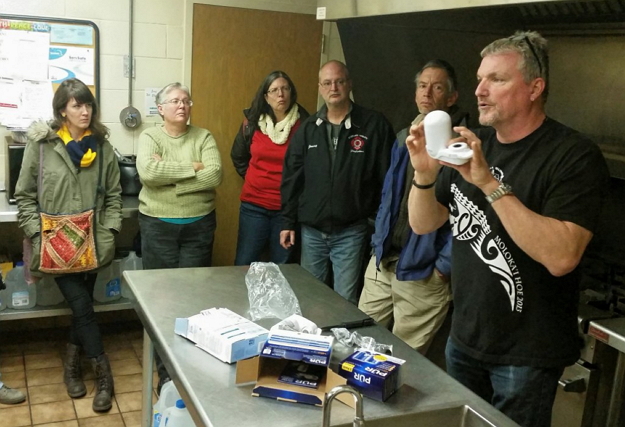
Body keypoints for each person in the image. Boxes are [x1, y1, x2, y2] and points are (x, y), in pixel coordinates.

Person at [406, 31, 609, 427]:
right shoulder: (474, 143)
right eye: (480, 79)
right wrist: (424, 176)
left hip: (526, 354)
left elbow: (562, 257)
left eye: (496, 79)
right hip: (464, 338)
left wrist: (488, 184)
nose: (480, 90)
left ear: (535, 87)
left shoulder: (573, 156)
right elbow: (424, 222)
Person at [15, 78, 121, 412]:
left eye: (88, 104)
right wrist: (38, 234)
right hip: (55, 242)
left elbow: (114, 196)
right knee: (83, 306)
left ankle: (72, 367)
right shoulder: (43, 145)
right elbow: (25, 195)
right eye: (77, 105)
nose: (85, 111)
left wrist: (110, 232)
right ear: (63, 110)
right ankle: (104, 375)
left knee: (82, 306)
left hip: (92, 241)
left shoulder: (102, 147)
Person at [359, 59, 469, 354]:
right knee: (358, 345)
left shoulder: (460, 147)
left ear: (452, 96)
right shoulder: (403, 136)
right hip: (383, 263)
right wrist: (377, 244)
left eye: (437, 87)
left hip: (424, 272)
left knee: (401, 361)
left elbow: (468, 215)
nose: (427, 93)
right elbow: (388, 197)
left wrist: (443, 268)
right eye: (422, 86)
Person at [281, 60, 395, 305]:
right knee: (311, 298)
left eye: (339, 81)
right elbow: (292, 177)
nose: (334, 87)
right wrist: (288, 221)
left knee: (345, 301)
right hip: (312, 232)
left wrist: (377, 223)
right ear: (320, 88)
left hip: (351, 231)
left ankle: (342, 343)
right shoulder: (308, 128)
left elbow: (388, 179)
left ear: (349, 84)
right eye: (327, 83)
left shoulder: (374, 125)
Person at [136, 82, 222, 391]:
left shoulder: (203, 136)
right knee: (161, 300)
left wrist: (174, 181)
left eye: (186, 100)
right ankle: (166, 374)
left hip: (198, 227)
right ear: (160, 109)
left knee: (192, 301)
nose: (182, 105)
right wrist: (192, 169)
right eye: (174, 101)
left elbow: (215, 174)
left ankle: (189, 370)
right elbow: (148, 173)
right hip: (158, 226)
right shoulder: (150, 136)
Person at [231, 71, 309, 265]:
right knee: (245, 263)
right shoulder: (252, 122)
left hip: (287, 211)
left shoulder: (305, 124)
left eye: (285, 89)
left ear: (291, 92)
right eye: (274, 90)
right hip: (253, 206)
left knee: (283, 268)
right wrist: (255, 179)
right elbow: (238, 156)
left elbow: (310, 166)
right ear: (266, 97)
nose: (280, 94)